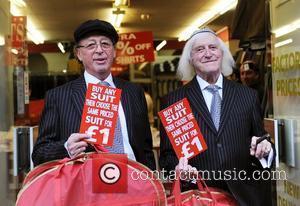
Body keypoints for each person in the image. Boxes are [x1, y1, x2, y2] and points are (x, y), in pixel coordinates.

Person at [159, 28, 274, 205]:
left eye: (213, 47)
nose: (207, 54)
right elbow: (167, 157)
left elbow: (260, 141)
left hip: (245, 196)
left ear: (222, 53)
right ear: (190, 58)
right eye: (200, 49)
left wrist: (265, 149)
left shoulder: (247, 96)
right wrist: (178, 169)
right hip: (199, 197)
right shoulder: (174, 100)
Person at [32, 19, 155, 170]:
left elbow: (146, 148)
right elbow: (39, 153)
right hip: (84, 185)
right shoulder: (58, 97)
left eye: (105, 44)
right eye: (91, 45)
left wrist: (152, 180)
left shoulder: (134, 92)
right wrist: (66, 148)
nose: (99, 50)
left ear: (114, 51)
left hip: (135, 181)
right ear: (79, 54)